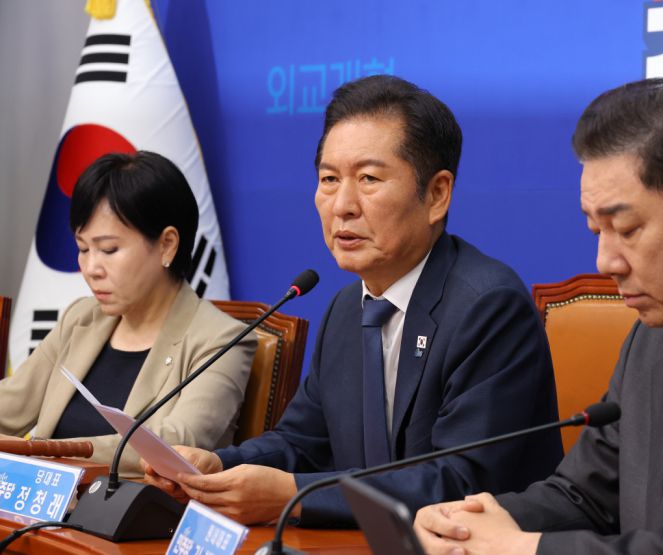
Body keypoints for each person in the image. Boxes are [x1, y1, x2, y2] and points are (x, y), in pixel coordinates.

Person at [144, 75, 562, 526]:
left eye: (368, 179)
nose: (342, 205)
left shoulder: (488, 307)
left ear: (437, 194)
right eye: (329, 179)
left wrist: (293, 496)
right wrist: (217, 466)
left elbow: (461, 483)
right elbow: (302, 443)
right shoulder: (347, 308)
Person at [414, 77, 663, 554]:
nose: (605, 262)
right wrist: (468, 524)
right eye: (596, 230)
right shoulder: (656, 336)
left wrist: (524, 550)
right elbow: (584, 496)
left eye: (626, 228)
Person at [0, 151, 254, 476]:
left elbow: (176, 443)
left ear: (167, 245)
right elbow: (12, 404)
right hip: (48, 501)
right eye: (82, 249)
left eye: (108, 250)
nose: (91, 268)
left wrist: (45, 451)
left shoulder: (221, 341)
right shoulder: (82, 318)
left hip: (136, 507)